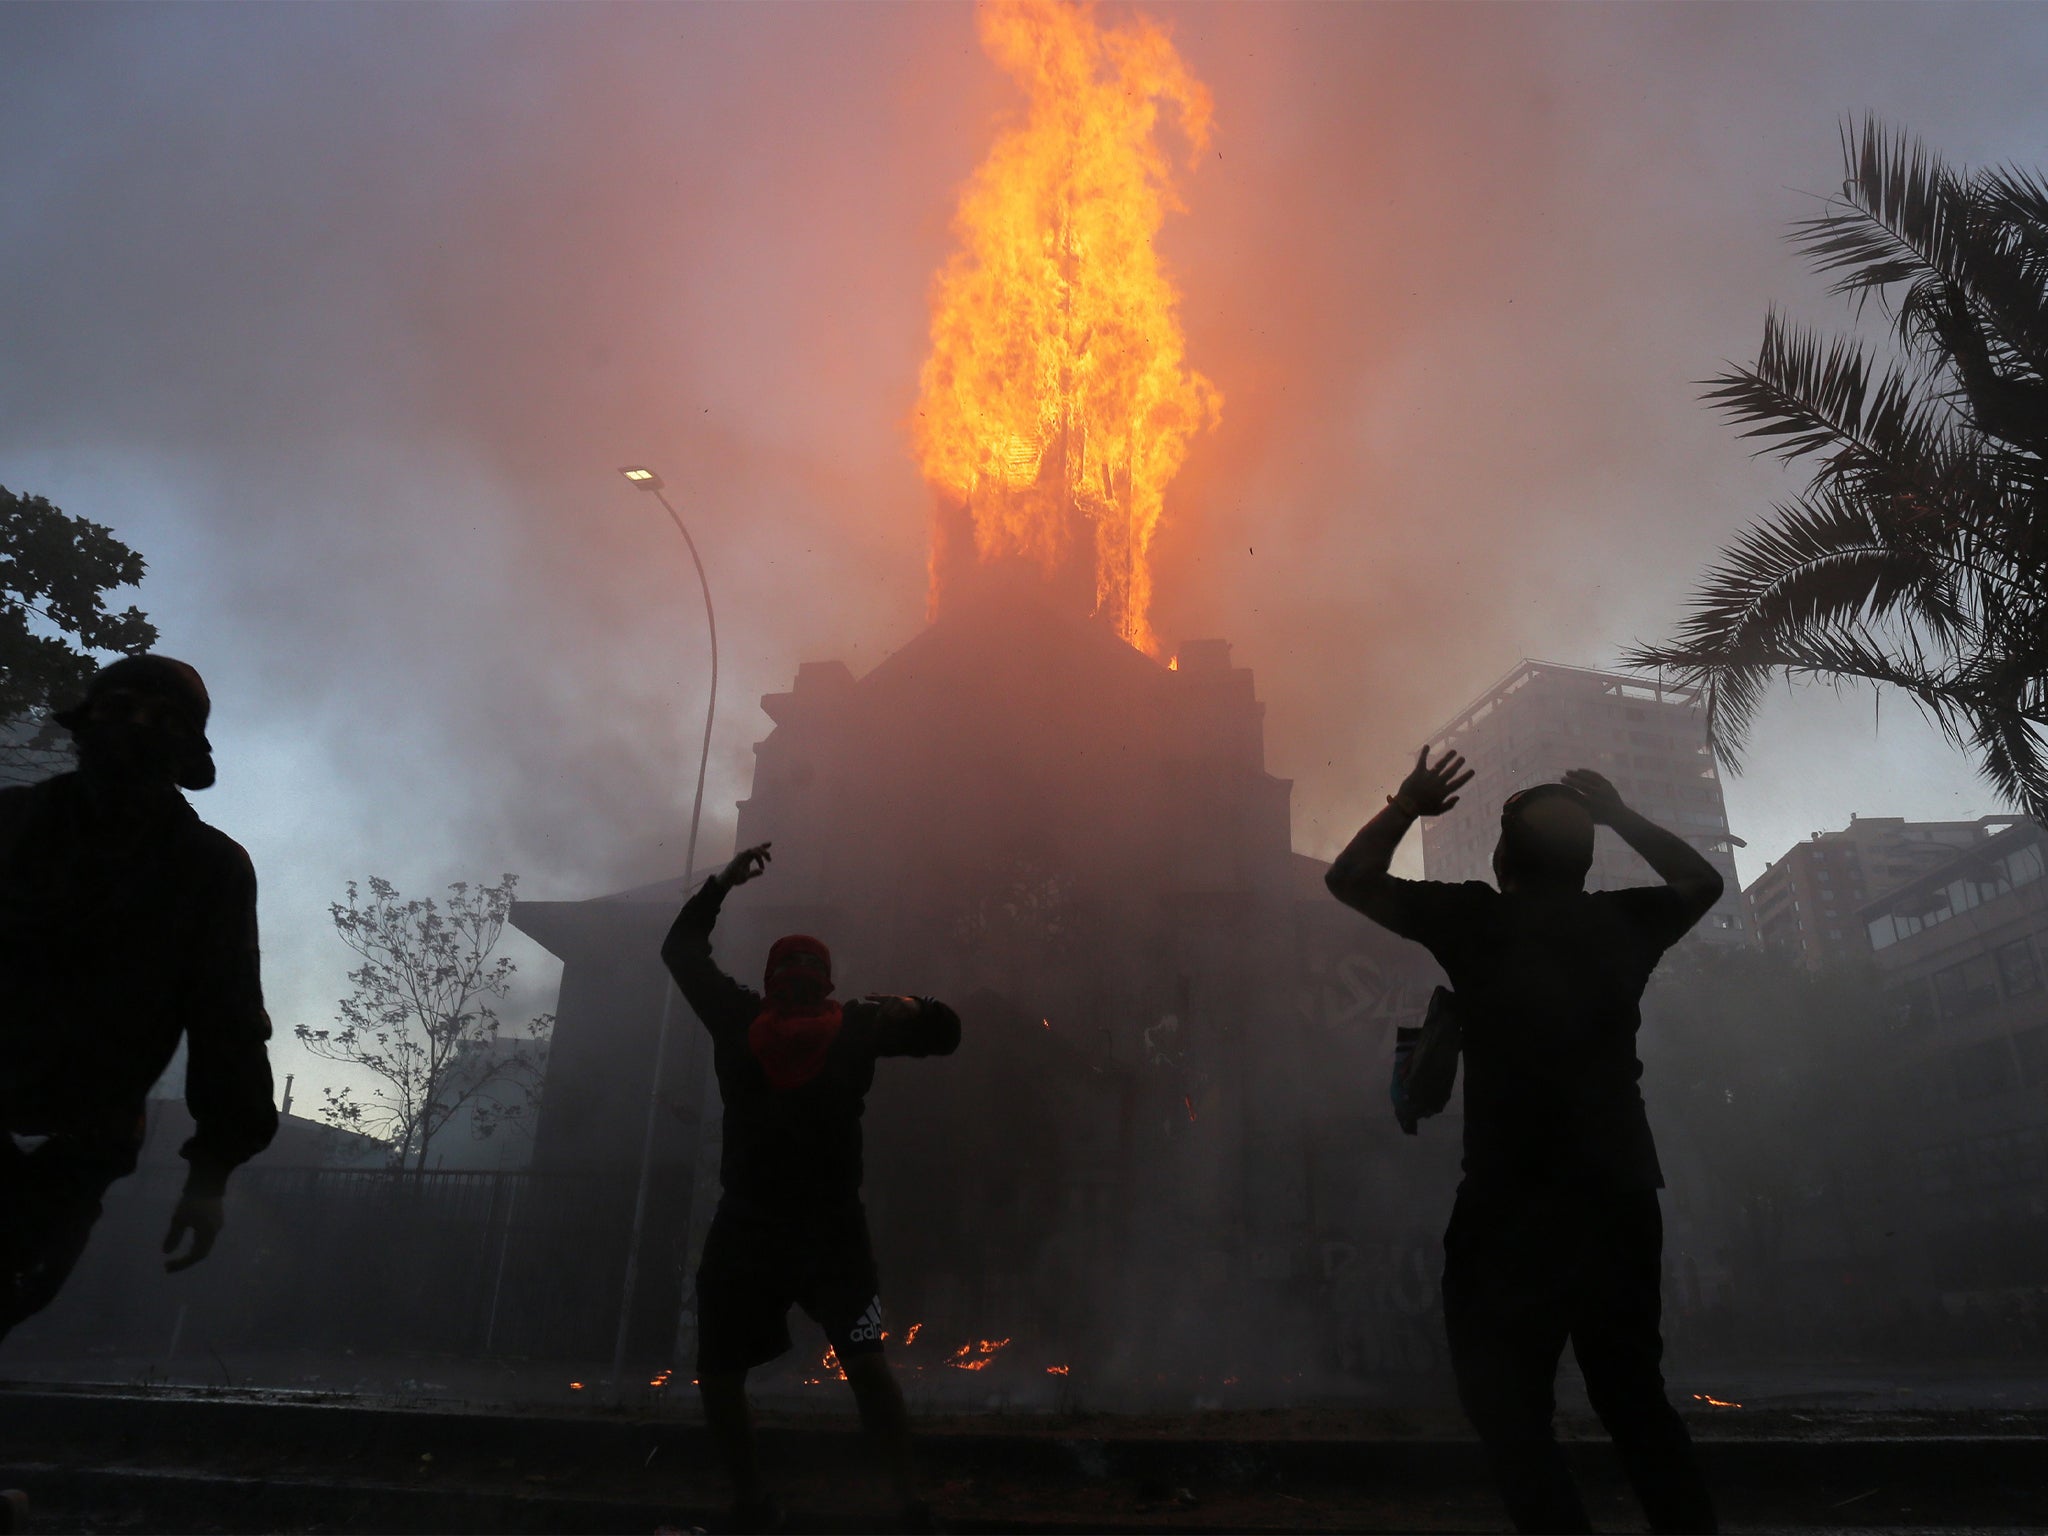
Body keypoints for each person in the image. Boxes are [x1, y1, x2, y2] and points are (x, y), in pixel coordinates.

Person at [1326, 747, 1722, 1535]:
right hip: (1617, 1193)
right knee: (1633, 1400)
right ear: (1585, 861)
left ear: (1504, 855)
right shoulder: (1623, 924)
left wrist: (1407, 804)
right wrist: (1622, 815)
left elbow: (1350, 878)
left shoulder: (1477, 920)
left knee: (1506, 1406)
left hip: (1511, 1204)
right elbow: (1703, 884)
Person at [662, 841, 960, 1535]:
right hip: (800, 1230)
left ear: (798, 980)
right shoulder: (844, 1024)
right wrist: (908, 1006)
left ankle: (773, 1502)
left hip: (781, 1229)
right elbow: (944, 1034)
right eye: (794, 969)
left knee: (762, 1369)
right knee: (849, 1363)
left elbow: (681, 952)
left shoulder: (749, 1020)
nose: (797, 978)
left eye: (802, 969)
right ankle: (894, 1504)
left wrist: (722, 886)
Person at [0, 655, 278, 1340]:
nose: (134, 730)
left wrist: (211, 1173)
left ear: (187, 749)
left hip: (75, 1147)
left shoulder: (207, 868)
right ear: (85, 724)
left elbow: (228, 1024)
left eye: (160, 720)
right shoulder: (9, 825)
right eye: (118, 710)